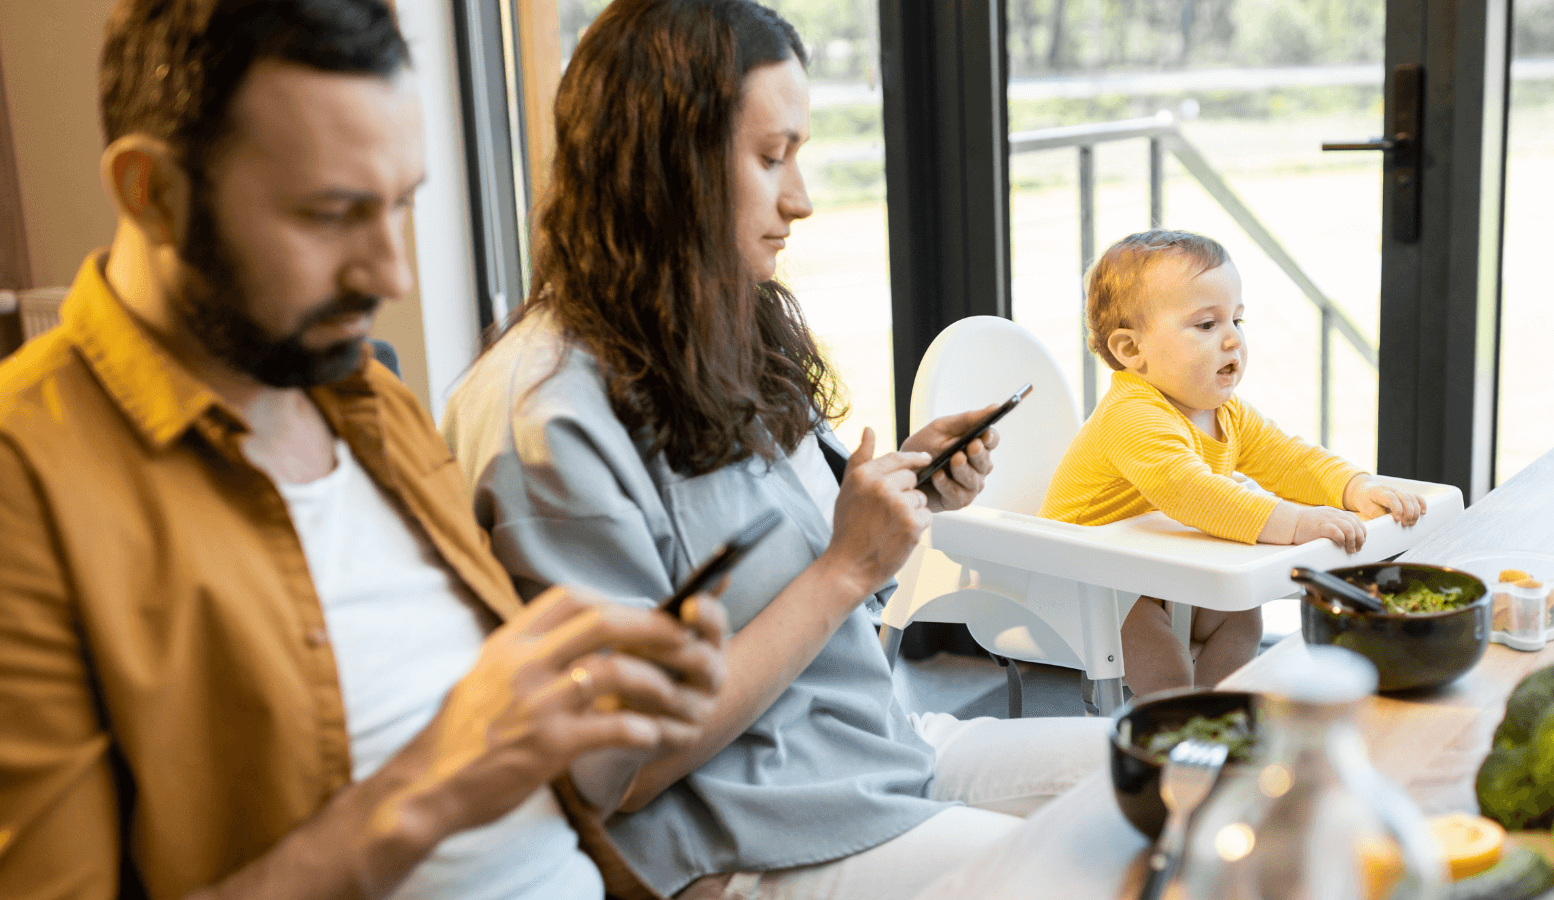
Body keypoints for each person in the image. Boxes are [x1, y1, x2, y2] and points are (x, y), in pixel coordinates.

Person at [0, 2, 728, 899]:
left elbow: (515, 771)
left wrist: (602, 708)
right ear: (152, 192)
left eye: (403, 203)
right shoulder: (26, 483)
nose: (392, 274)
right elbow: (451, 767)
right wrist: (434, 785)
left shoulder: (365, 397)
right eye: (331, 213)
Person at [441, 1, 1105, 898]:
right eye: (769, 157)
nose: (802, 198)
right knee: (1098, 875)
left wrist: (901, 495)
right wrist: (842, 567)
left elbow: (802, 562)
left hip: (871, 749)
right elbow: (617, 774)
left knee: (1194, 775)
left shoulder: (716, 334)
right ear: (661, 167)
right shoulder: (546, 421)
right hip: (750, 835)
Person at [1039, 230, 1428, 695]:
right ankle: (1178, 734)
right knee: (1164, 666)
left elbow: (1288, 458)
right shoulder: (1131, 416)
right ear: (1131, 350)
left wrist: (1354, 487)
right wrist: (1297, 522)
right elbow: (1194, 494)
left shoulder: (1222, 410)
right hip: (1082, 579)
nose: (1232, 341)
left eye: (1237, 321)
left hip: (1153, 566)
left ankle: (1222, 714)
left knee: (1241, 618)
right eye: (1206, 325)